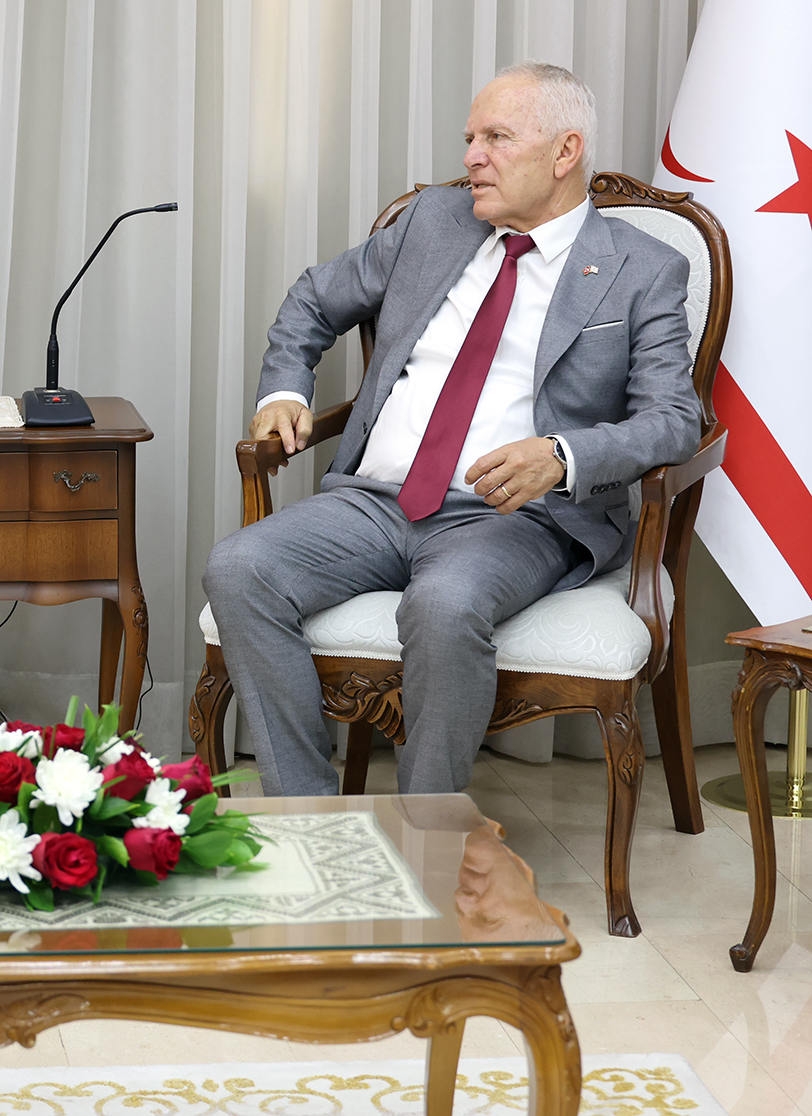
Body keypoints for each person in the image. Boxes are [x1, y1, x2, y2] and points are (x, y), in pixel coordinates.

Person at [203, 62, 699, 798]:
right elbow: (314, 297)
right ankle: (308, 815)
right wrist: (283, 389)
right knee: (239, 567)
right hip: (374, 501)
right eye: (470, 138)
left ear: (564, 152)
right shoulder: (434, 221)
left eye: (496, 138)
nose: (472, 157)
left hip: (515, 517)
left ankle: (426, 833)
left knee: (443, 605)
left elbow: (674, 419)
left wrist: (563, 456)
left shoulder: (641, 268)